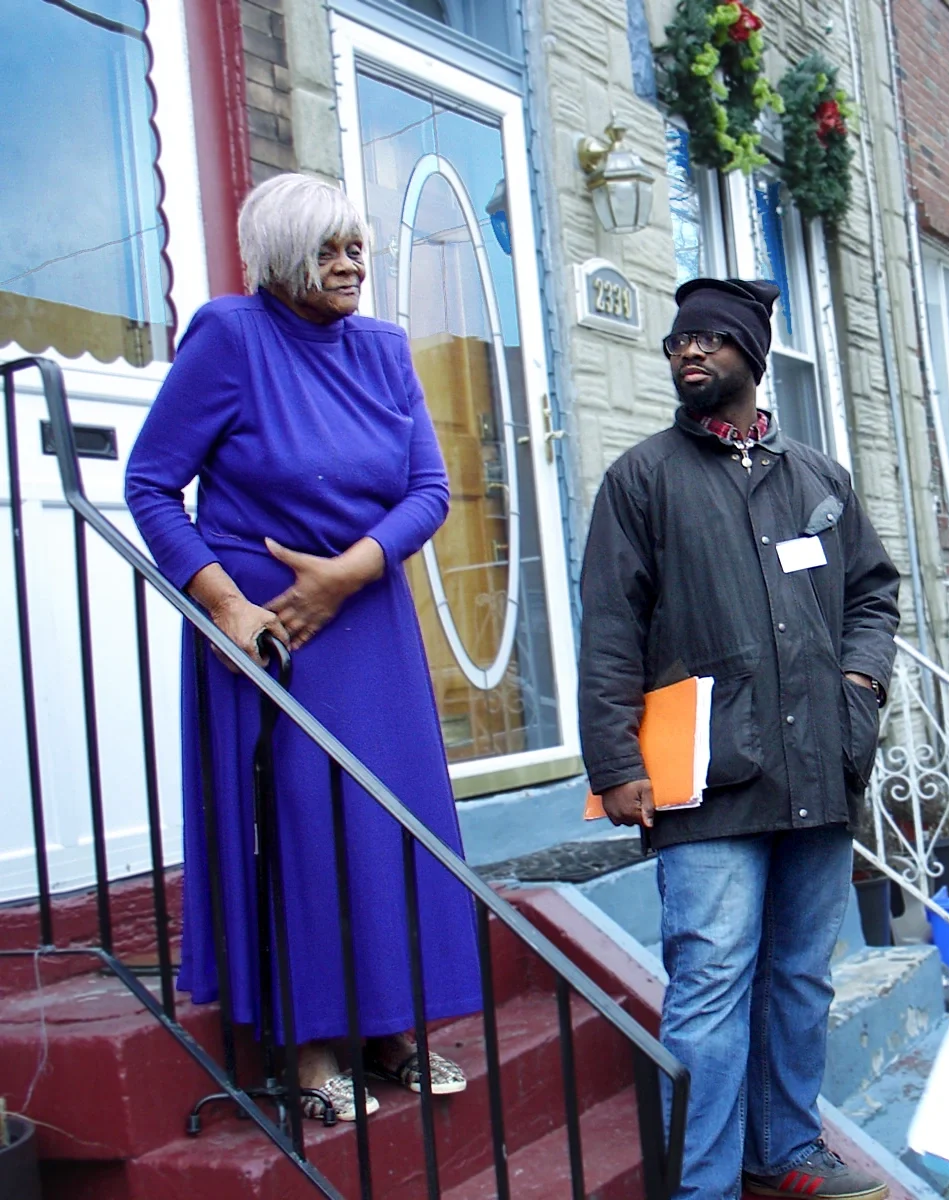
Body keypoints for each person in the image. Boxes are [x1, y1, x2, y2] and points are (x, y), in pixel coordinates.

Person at [125, 174, 479, 1121]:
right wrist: (227, 605)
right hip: (269, 632)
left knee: (389, 823)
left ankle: (395, 1032)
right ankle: (313, 1055)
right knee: (305, 829)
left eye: (357, 245)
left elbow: (428, 491)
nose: (349, 262)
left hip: (367, 616)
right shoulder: (231, 335)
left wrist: (350, 571)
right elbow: (152, 484)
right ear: (280, 256)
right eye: (327, 247)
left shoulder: (382, 349)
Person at [578, 278, 901, 1200]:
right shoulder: (642, 479)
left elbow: (871, 593)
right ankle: (704, 1184)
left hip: (819, 766)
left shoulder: (818, 478)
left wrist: (859, 685)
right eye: (678, 341)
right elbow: (609, 627)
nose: (687, 353)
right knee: (711, 985)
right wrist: (616, 762)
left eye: (708, 340)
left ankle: (785, 1149)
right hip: (706, 778)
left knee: (800, 977)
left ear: (751, 359)